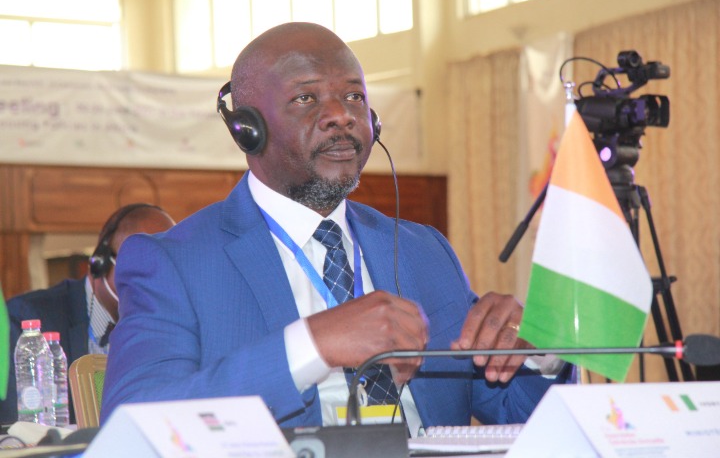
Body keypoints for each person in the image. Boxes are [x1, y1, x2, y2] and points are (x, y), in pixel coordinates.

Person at [101, 22, 572, 433]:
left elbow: (517, 414)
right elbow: (132, 424)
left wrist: (535, 353)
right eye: (306, 98)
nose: (341, 116)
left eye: (354, 97)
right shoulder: (173, 262)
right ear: (247, 129)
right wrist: (314, 345)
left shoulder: (423, 250)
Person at [1, 203, 175, 425]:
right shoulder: (26, 319)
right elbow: (15, 427)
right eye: (142, 269)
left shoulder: (172, 324)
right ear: (100, 263)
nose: (154, 284)